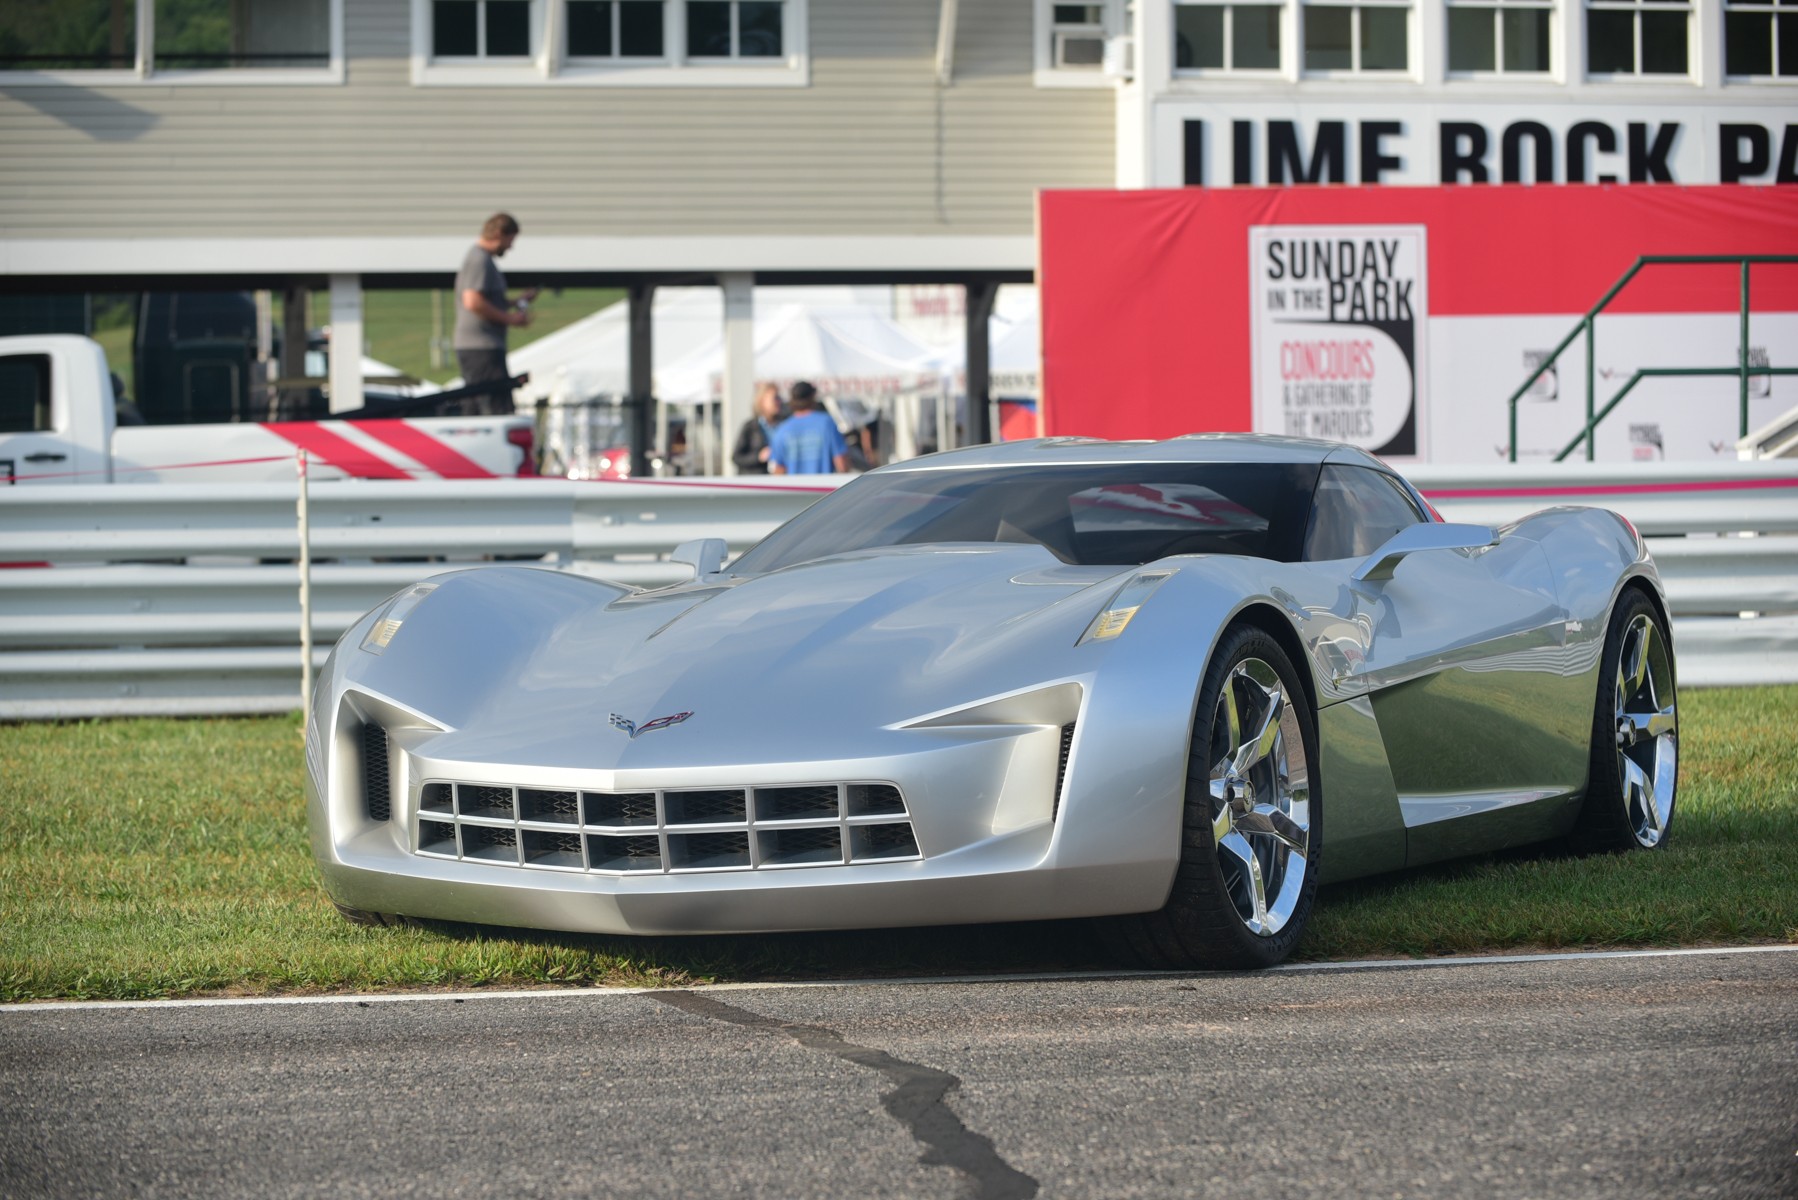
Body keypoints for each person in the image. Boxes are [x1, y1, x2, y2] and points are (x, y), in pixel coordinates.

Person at [454, 212, 538, 415]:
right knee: (496, 406)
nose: (511, 246)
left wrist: (515, 302)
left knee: (479, 404)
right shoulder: (479, 260)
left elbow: (485, 300)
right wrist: (510, 319)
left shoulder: (480, 259)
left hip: (478, 347)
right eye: (511, 240)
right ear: (499, 234)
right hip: (481, 347)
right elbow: (472, 301)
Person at [767, 381, 848, 475]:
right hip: (825, 488)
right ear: (812, 397)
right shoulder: (827, 423)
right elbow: (841, 464)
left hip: (795, 488)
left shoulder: (782, 429)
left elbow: (778, 470)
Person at [731, 382, 785, 474]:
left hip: (778, 480)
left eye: (779, 398)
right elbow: (736, 458)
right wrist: (758, 457)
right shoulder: (750, 427)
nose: (778, 402)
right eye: (775, 398)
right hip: (755, 481)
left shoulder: (784, 425)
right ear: (762, 401)